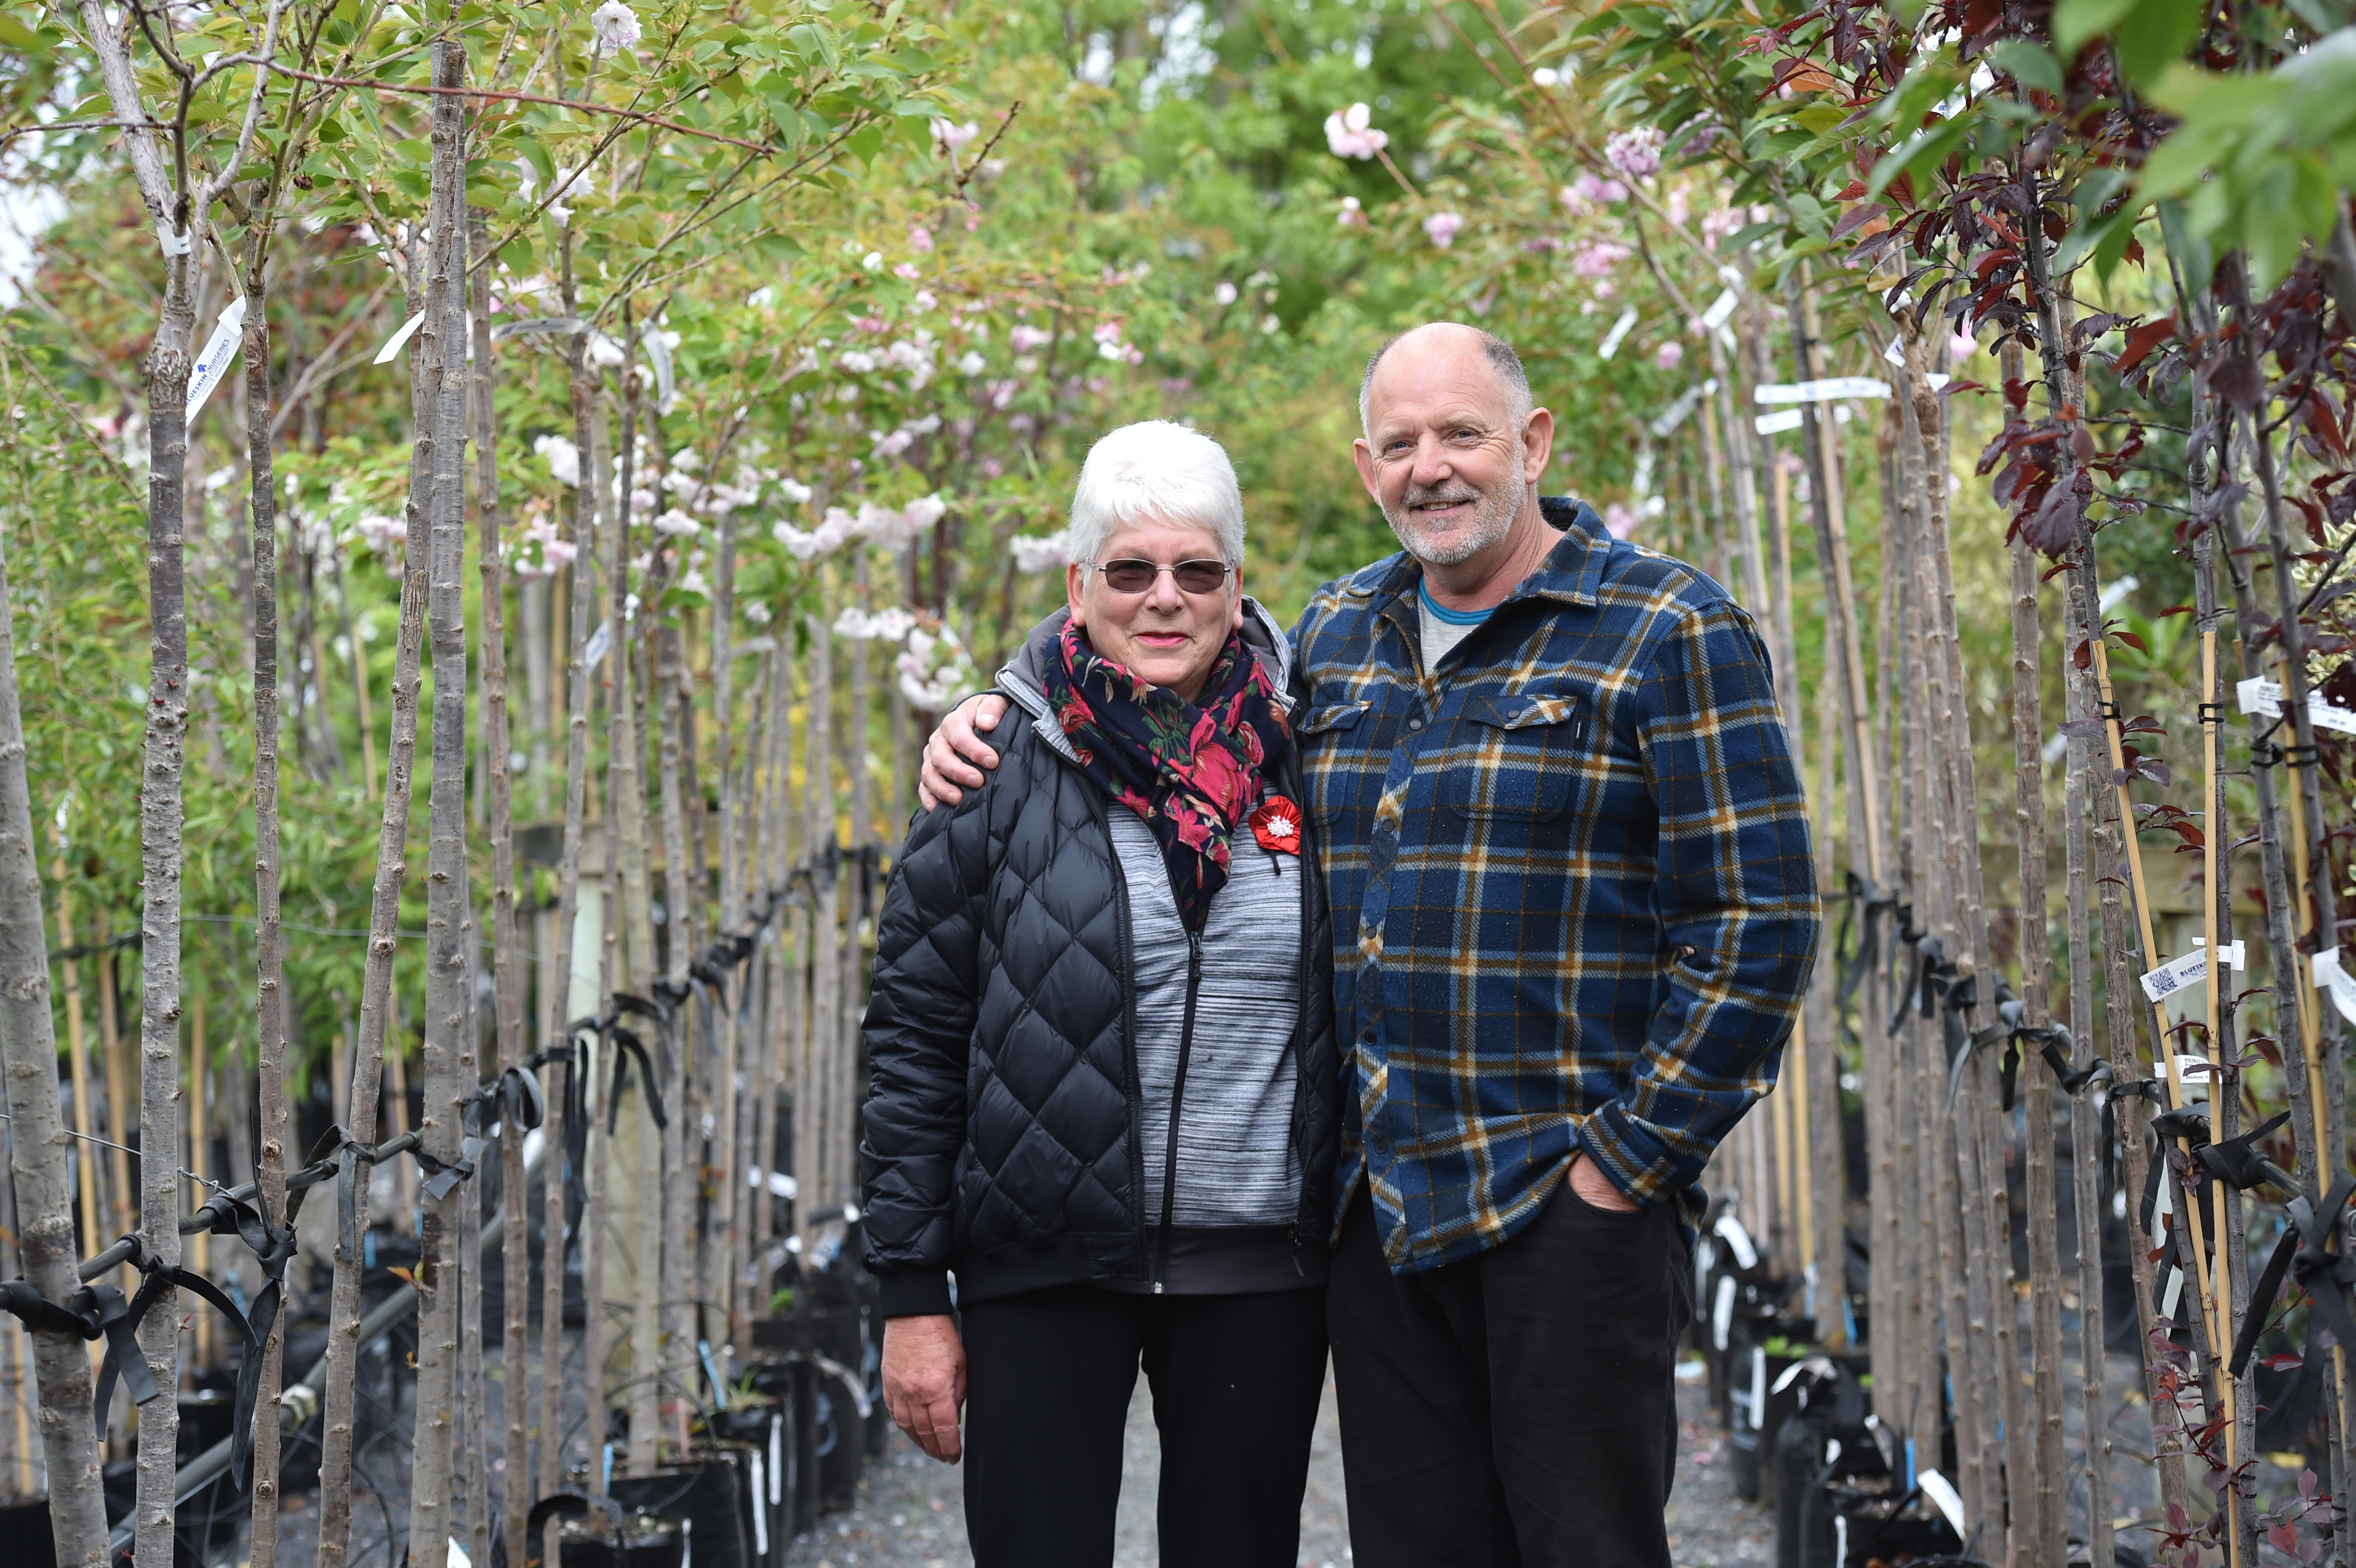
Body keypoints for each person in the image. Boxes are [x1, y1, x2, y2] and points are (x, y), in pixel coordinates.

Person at [918, 323, 1820, 1568]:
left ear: (1534, 443)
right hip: (1381, 1219)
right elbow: (1143, 651)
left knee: (1584, 1545)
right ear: (1364, 468)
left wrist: (1627, 1166)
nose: (1431, 468)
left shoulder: (1663, 631)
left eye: (1462, 434)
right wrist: (997, 711)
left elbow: (1758, 922)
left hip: (1566, 1203)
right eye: (1400, 444)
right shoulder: (1340, 639)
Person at [859, 419, 1341, 1568]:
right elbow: (913, 1043)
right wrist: (910, 1292)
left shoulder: (1319, 748)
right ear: (1080, 585)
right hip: (1042, 1259)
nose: (1164, 598)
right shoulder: (988, 770)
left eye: (1197, 570)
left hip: (1259, 1270)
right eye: (1130, 570)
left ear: (1238, 584)